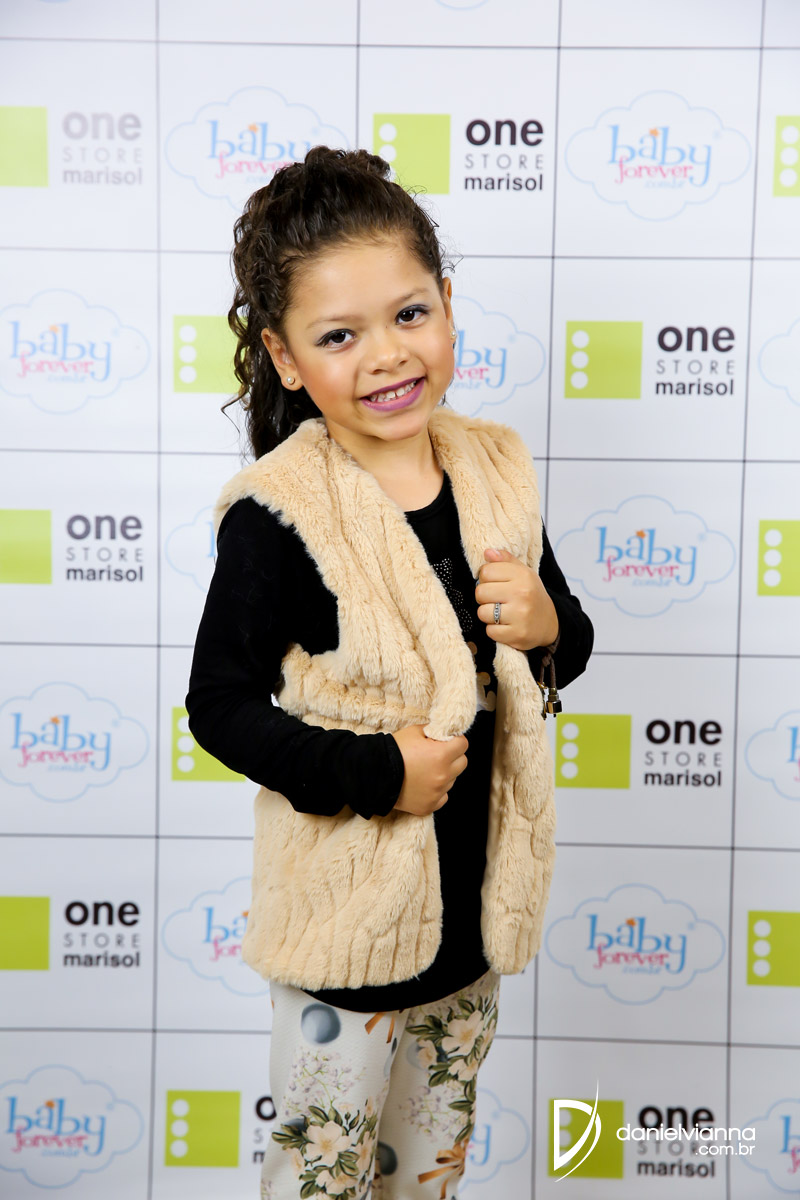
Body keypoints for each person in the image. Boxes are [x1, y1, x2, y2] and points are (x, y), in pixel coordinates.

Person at [186, 145, 593, 1200]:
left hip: (472, 925)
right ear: (284, 358)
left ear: (447, 303)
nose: (385, 355)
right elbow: (218, 707)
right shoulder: (278, 513)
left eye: (409, 314)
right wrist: (375, 774)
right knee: (321, 1175)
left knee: (427, 1170)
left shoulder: (495, 465)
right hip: (344, 933)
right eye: (339, 335)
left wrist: (547, 621)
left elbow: (563, 643)